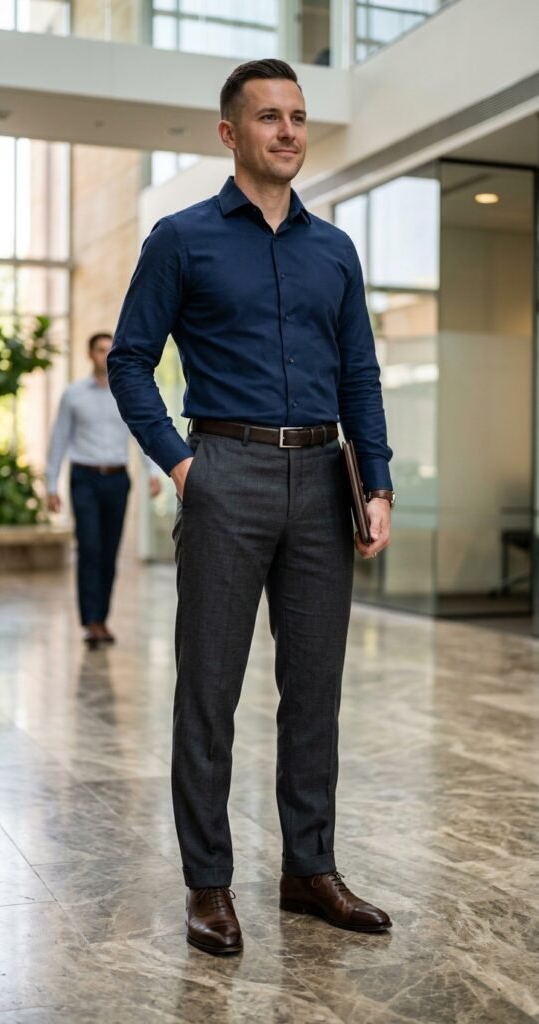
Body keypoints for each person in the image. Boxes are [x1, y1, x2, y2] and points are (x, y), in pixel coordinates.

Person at [108, 59, 395, 956]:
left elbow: (359, 374)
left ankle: (310, 869)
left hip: (321, 477)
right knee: (210, 690)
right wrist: (185, 466)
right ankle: (209, 885)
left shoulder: (334, 250)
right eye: (269, 118)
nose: (289, 132)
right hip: (224, 468)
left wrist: (375, 479)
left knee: (314, 691)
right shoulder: (182, 239)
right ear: (230, 133)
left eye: (299, 117)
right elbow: (129, 359)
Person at [46, 331, 161, 646]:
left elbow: (141, 436)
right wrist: (51, 484)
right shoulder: (73, 395)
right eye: (99, 350)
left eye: (110, 351)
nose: (105, 356)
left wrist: (153, 471)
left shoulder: (126, 393)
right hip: (84, 478)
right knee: (90, 548)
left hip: (117, 479)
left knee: (109, 550)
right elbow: (59, 440)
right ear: (89, 354)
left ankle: (102, 618)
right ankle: (91, 621)